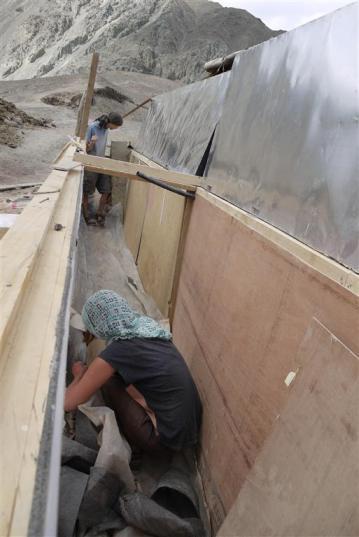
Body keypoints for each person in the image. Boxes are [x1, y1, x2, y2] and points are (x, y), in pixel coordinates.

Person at [65, 290, 202, 456]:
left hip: (164, 440)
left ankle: (138, 440)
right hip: (189, 429)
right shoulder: (145, 328)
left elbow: (68, 403)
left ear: (98, 326)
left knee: (108, 380)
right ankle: (146, 412)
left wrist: (80, 375)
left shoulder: (118, 350)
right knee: (116, 374)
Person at [83, 112, 123, 226]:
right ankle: (86, 216)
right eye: (117, 126)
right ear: (111, 123)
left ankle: (99, 214)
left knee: (106, 190)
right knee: (86, 191)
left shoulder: (106, 129)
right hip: (91, 162)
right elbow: (86, 148)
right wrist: (92, 143)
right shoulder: (92, 127)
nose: (116, 128)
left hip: (101, 162)